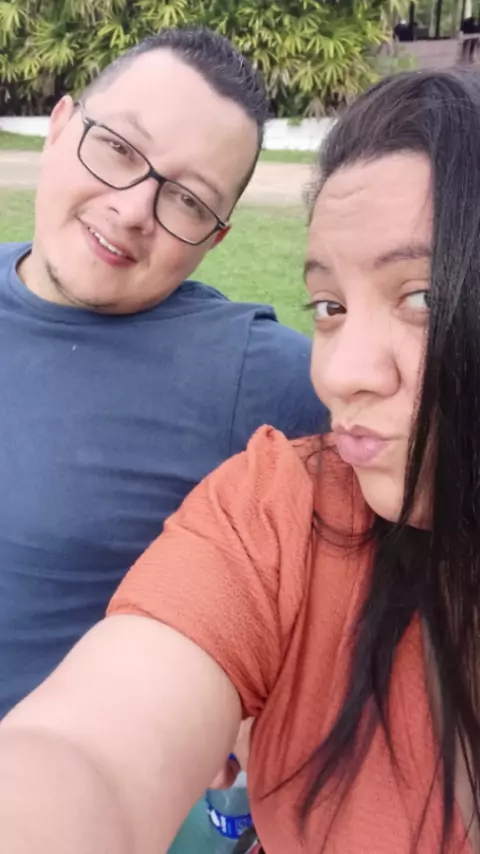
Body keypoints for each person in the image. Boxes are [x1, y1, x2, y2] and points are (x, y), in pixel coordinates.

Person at [3, 66, 479, 854]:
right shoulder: (282, 500)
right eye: (329, 307)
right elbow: (79, 751)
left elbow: (94, 764)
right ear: (59, 126)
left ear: (217, 236)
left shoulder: (252, 388)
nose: (341, 375)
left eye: (422, 297)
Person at [0, 26, 326, 717]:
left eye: (187, 200)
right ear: (59, 126)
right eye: (118, 148)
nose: (131, 210)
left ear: (215, 238)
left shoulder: (248, 371)